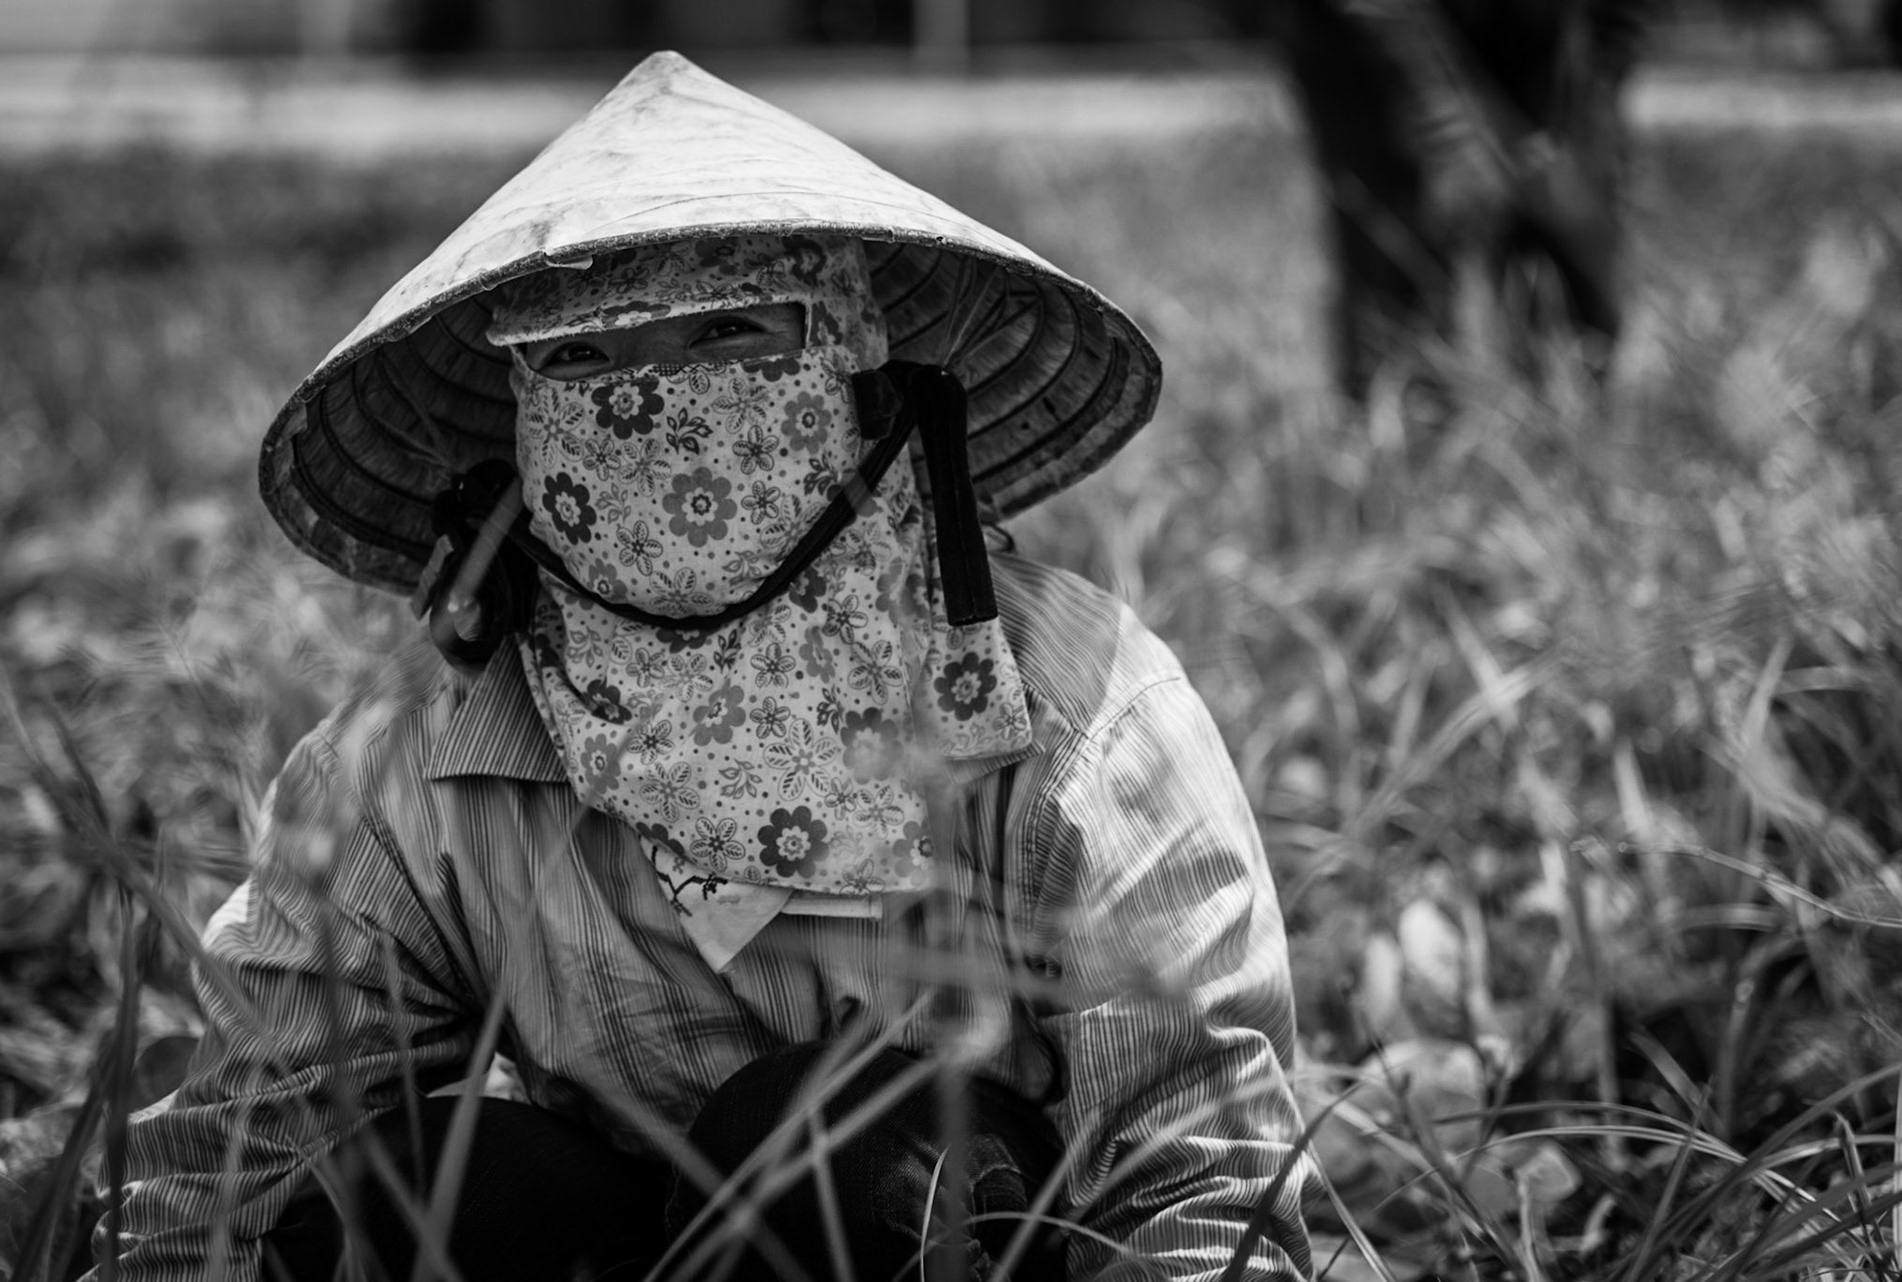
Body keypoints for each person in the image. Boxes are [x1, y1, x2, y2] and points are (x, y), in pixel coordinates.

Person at [94, 53, 1314, 1282]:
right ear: (521, 415)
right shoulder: (416, 762)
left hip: (954, 1238)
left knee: (838, 1141)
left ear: (846, 359)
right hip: (627, 1244)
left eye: (732, 330)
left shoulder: (1081, 720)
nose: (651, 404)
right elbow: (231, 1161)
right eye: (580, 359)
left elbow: (1201, 1197)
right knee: (412, 1192)